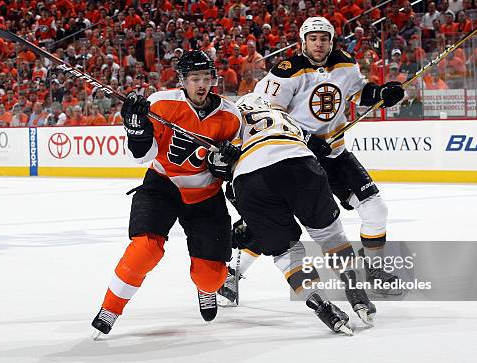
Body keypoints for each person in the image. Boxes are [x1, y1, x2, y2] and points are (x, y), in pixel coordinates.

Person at [223, 17, 404, 304]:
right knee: (278, 220)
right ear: (303, 41)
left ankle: (374, 270)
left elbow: (359, 92)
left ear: (332, 40)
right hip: (294, 155)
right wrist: (307, 139)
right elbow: (268, 113)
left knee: (375, 208)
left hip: (334, 154)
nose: (319, 44)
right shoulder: (287, 71)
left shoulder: (345, 62)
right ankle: (233, 274)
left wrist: (382, 93)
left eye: (324, 38)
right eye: (313, 38)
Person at [91, 51, 243, 337]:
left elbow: (235, 167)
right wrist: (136, 130)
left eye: (206, 78)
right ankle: (110, 307)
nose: (201, 85)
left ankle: (204, 289)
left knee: (210, 278)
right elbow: (143, 156)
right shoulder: (161, 104)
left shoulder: (231, 116)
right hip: (163, 186)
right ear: (183, 80)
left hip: (206, 196)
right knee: (144, 250)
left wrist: (227, 163)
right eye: (195, 79)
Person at [224, 93, 376, 334]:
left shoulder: (228, 122)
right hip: (299, 163)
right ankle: (356, 290)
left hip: (250, 179)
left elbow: (217, 168)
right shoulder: (284, 116)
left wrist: (243, 213)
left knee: (287, 252)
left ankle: (322, 306)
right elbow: (319, 148)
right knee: (331, 237)